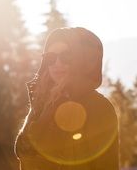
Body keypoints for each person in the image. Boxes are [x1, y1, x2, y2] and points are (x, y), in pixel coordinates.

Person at [14, 27, 119, 170]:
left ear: (79, 60)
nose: (57, 63)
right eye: (50, 57)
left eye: (66, 56)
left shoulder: (98, 107)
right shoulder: (40, 104)